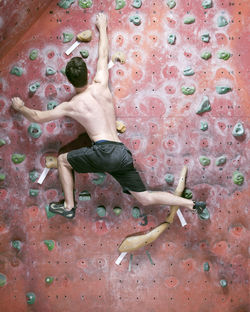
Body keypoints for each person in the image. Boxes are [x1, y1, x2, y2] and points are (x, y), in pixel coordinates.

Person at [11, 13, 208, 219]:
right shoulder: (101, 84)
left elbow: (38, 117)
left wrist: (21, 107)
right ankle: (193, 204)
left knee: (62, 160)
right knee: (145, 198)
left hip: (104, 152)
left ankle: (69, 206)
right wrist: (102, 27)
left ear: (70, 81)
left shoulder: (72, 105)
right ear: (87, 73)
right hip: (122, 153)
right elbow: (103, 55)